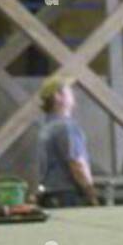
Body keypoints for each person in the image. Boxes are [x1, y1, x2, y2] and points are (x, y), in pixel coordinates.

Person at [37, 75, 98, 208]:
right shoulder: (66, 127)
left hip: (50, 194)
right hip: (68, 196)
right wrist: (90, 191)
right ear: (58, 96)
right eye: (69, 91)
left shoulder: (46, 128)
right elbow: (76, 163)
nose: (73, 94)